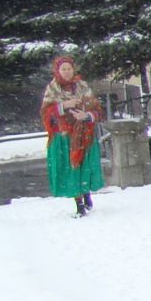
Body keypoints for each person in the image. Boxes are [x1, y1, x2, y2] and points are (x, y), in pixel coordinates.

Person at [40, 55, 104, 216]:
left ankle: (86, 192)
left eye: (69, 68)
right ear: (58, 70)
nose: (67, 72)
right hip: (64, 136)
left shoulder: (82, 86)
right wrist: (63, 106)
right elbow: (46, 114)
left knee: (84, 166)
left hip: (84, 134)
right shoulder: (52, 89)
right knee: (72, 169)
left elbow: (97, 110)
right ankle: (79, 203)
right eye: (64, 69)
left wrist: (87, 115)